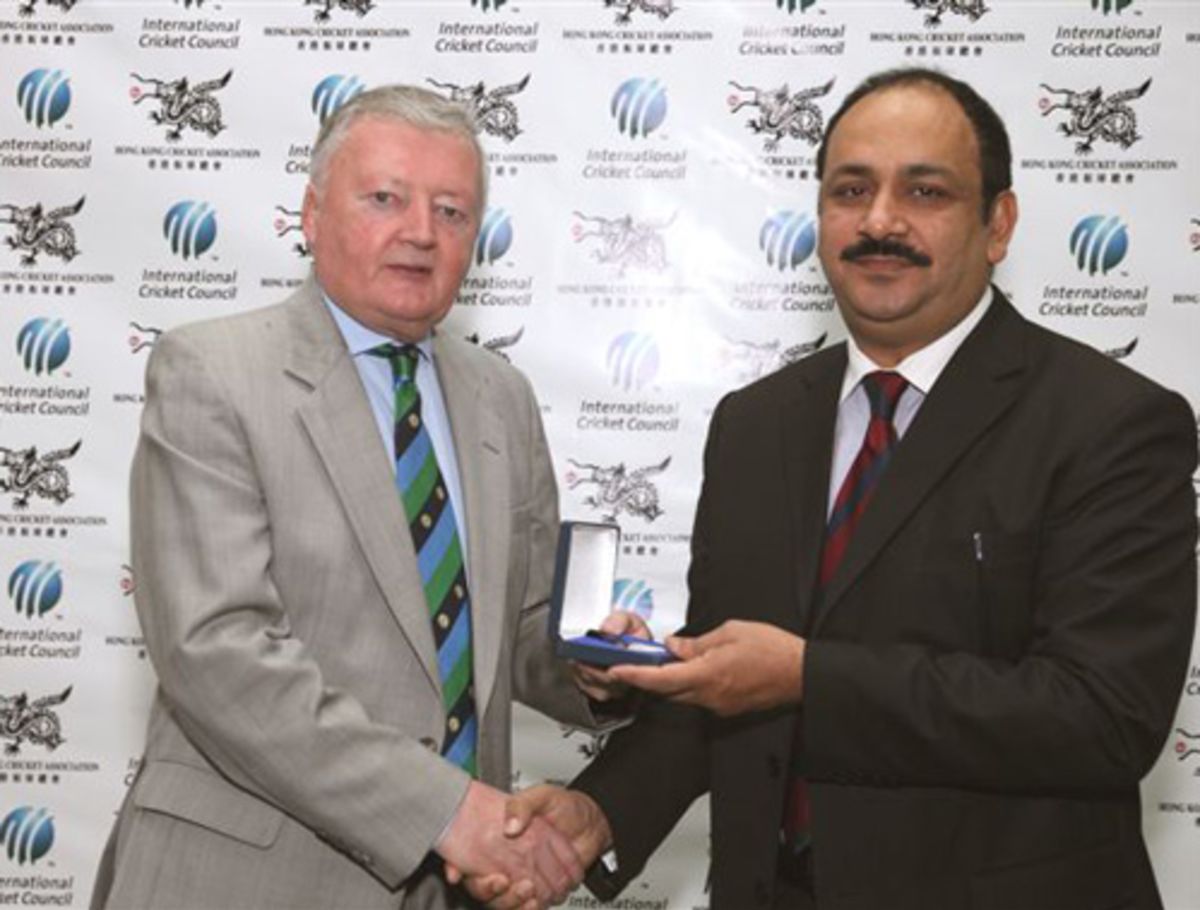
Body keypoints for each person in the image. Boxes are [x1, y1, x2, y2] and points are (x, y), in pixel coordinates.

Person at [483, 67, 1199, 910]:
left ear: (997, 224)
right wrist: (598, 814)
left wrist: (807, 678)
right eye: (850, 189)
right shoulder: (755, 424)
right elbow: (728, 692)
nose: (880, 222)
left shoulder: (1109, 421)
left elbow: (1100, 716)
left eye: (925, 191)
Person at [91, 85, 608, 910]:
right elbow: (216, 650)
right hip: (250, 881)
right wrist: (443, 812)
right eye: (385, 199)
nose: (420, 233)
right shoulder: (211, 372)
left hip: (465, 887)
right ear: (311, 212)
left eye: (452, 211)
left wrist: (599, 670)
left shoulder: (501, 397)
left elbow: (518, 631)